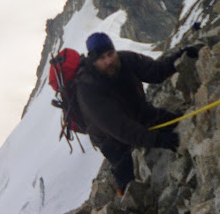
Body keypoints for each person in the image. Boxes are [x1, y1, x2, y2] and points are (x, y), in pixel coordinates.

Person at [75, 32, 199, 195]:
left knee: (176, 122)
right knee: (125, 173)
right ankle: (126, 201)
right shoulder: (88, 88)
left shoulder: (126, 60)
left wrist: (179, 56)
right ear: (93, 61)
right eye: (101, 58)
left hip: (139, 113)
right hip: (110, 138)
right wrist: (157, 140)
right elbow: (121, 129)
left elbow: (156, 72)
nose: (108, 61)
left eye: (110, 54)